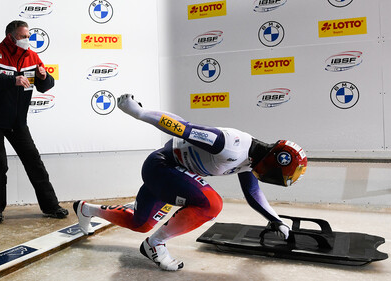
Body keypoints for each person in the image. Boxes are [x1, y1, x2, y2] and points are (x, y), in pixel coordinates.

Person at [74, 94, 308, 271]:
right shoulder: (230, 144)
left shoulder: (252, 160)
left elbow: (252, 192)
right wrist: (139, 113)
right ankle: (155, 245)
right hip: (162, 167)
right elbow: (182, 127)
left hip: (172, 175)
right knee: (211, 204)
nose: (267, 176)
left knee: (140, 223)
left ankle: (86, 209)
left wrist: (276, 221)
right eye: (272, 173)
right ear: (272, 160)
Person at [0, 20, 68, 224]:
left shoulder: (32, 56)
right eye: (23, 36)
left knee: (34, 161)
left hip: (17, 121)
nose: (27, 40)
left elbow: (45, 86)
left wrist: (44, 77)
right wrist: (11, 79)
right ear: (11, 36)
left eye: (28, 36)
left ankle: (51, 206)